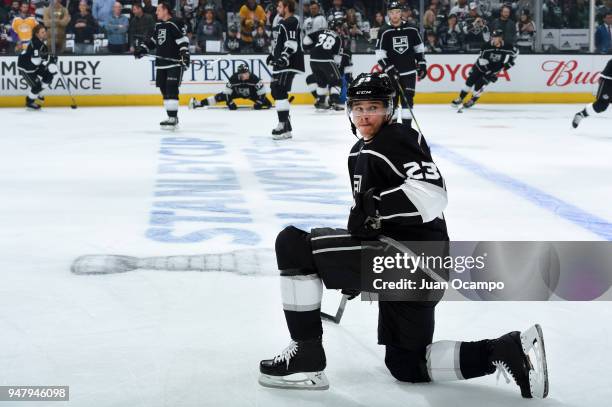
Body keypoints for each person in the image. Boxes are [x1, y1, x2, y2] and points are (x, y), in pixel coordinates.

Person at [257, 72, 549, 400]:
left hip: (409, 260)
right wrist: (358, 249)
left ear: (390, 110)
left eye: (374, 107)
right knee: (407, 364)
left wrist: (375, 208)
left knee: (292, 243)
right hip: (423, 269)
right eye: (358, 107)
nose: (365, 115)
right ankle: (505, 350)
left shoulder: (396, 138)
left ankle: (306, 356)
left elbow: (432, 194)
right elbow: (372, 216)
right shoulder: (359, 151)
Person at [134, 1, 190, 130]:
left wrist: (185, 56)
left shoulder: (175, 22)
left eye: (158, 10)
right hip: (161, 64)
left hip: (174, 63)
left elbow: (183, 40)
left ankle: (172, 118)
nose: (156, 12)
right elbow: (153, 41)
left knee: (171, 88)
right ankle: (171, 116)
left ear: (165, 10)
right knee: (164, 90)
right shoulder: (158, 25)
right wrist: (142, 49)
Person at [376, 0, 426, 126]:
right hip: (391, 75)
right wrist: (389, 69)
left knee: (407, 101)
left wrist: (422, 64)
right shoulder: (384, 31)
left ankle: (407, 130)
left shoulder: (412, 29)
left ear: (401, 13)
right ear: (388, 14)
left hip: (409, 72)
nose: (394, 15)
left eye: (397, 12)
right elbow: (380, 54)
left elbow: (419, 49)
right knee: (392, 101)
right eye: (392, 12)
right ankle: (392, 131)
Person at [451, 29, 518, 110]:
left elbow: (515, 53)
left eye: (496, 37)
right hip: (480, 67)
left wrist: (510, 62)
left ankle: (472, 100)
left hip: (494, 69)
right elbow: (482, 61)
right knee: (470, 81)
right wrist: (488, 73)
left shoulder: (507, 46)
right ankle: (460, 98)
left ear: (500, 38)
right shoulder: (486, 46)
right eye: (493, 37)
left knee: (479, 85)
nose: (493, 39)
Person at [266, 0, 304, 140]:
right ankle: (286, 126)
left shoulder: (291, 21)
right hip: (281, 62)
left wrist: (283, 57)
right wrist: (273, 55)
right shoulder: (285, 22)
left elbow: (292, 44)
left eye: (280, 6)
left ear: (287, 7)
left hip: (288, 62)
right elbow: (280, 42)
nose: (278, 8)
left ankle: (282, 125)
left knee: (279, 90)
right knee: (275, 90)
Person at [189, 63, 272, 110]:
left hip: (252, 94)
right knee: (219, 97)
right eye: (244, 73)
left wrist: (259, 103)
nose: (247, 75)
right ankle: (198, 103)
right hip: (236, 93)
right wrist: (229, 102)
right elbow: (227, 92)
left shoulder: (254, 78)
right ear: (240, 74)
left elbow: (262, 92)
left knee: (268, 103)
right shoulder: (233, 78)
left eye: (247, 73)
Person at [302, 18, 343, 111]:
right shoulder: (338, 38)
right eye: (339, 28)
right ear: (336, 28)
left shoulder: (321, 31)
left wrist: (308, 47)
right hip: (326, 59)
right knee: (337, 81)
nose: (340, 30)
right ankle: (334, 102)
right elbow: (336, 58)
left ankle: (320, 102)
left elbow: (306, 39)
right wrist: (336, 68)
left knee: (322, 82)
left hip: (313, 59)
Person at [17, 24, 58, 109]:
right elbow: (35, 58)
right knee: (36, 87)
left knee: (49, 76)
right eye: (42, 32)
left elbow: (41, 56)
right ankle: (29, 102)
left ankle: (39, 93)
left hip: (35, 65)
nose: (45, 33)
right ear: (37, 34)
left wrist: (50, 58)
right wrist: (49, 58)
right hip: (26, 68)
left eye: (45, 31)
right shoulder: (36, 43)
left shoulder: (40, 41)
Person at [572, 58, 612, 128]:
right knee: (601, 106)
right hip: (608, 84)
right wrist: (602, 80)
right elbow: (603, 76)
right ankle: (581, 114)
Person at [303, 0, 328, 103]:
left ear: (318, 9)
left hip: (320, 50)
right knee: (313, 77)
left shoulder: (321, 19)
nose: (313, 10)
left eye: (315, 8)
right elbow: (305, 34)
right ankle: (320, 98)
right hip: (311, 51)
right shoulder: (306, 20)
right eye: (311, 8)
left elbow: (322, 33)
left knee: (321, 76)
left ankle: (324, 98)